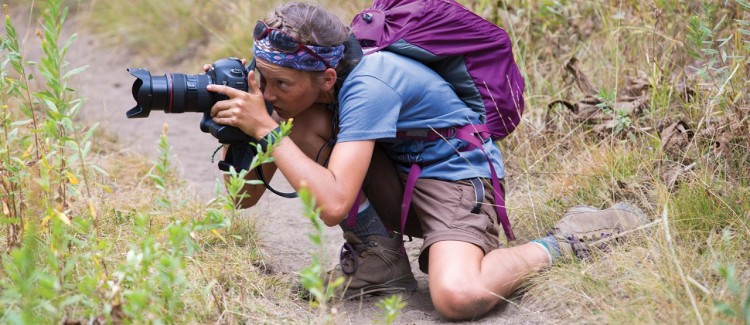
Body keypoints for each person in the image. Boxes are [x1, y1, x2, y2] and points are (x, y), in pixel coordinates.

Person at [207, 2, 647, 320]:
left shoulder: (369, 84)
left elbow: (335, 204)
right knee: (299, 126)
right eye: (261, 80)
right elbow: (242, 197)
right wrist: (240, 132)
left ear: (326, 79)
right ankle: (379, 261)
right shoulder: (300, 93)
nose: (266, 94)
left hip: (454, 177)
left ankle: (571, 237)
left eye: (280, 83)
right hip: (401, 173)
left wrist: (265, 128)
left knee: (459, 296)